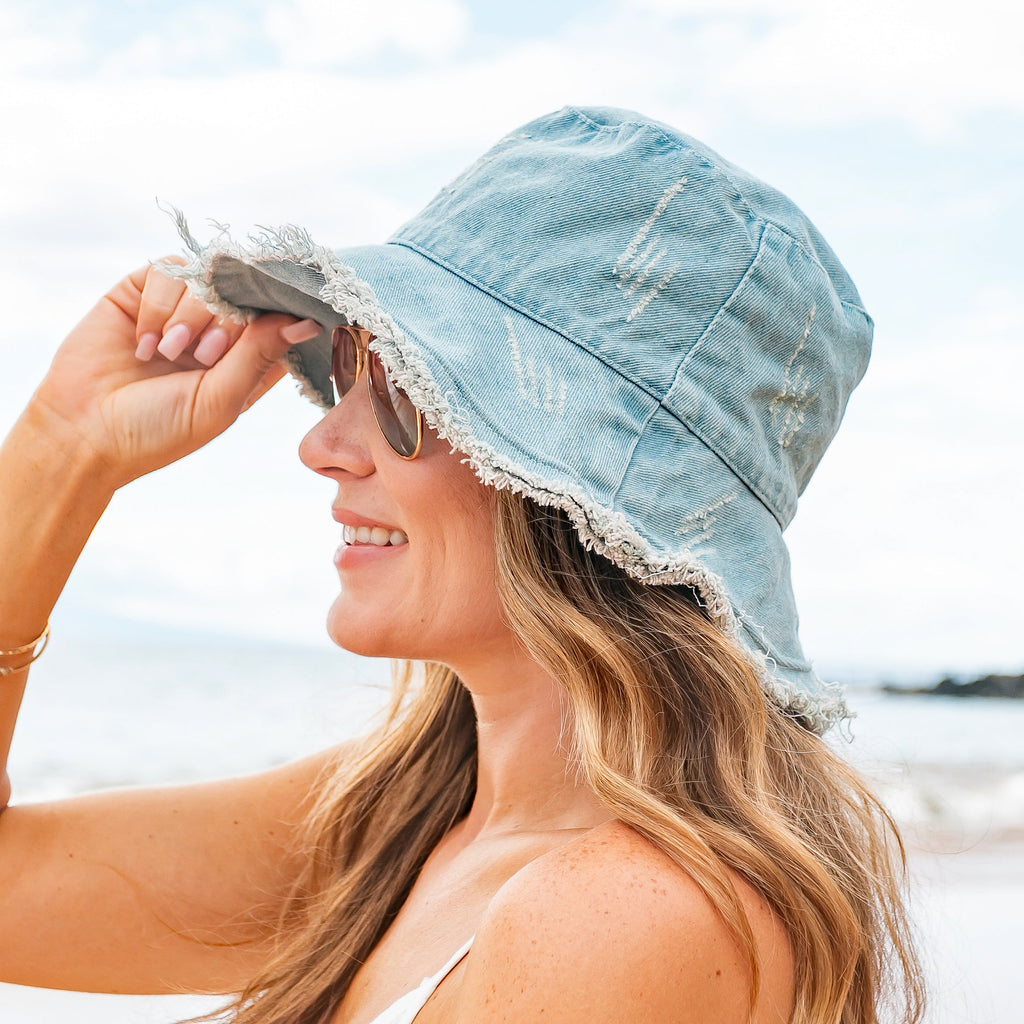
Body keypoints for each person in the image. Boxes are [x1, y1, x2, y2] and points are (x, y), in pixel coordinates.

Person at [0, 106, 923, 1023]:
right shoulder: (400, 830)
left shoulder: (615, 916)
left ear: (575, 493)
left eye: (405, 385)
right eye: (349, 369)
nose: (324, 441)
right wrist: (61, 451)